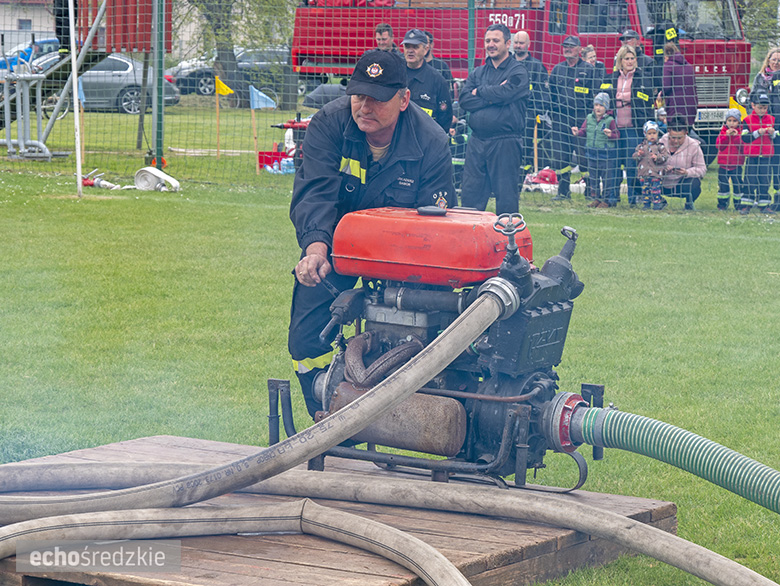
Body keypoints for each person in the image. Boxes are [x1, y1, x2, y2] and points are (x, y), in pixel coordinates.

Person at [288, 49, 454, 418]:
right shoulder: (328, 124)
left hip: (405, 257)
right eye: (358, 95)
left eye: (377, 99)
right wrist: (315, 250)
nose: (364, 106)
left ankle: (422, 418)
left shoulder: (431, 142)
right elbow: (314, 193)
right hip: (337, 248)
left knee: (436, 338)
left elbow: (436, 224)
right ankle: (324, 419)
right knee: (305, 338)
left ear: (404, 99)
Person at [459, 23, 529, 214]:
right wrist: (494, 97)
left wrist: (480, 92)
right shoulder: (478, 72)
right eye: (488, 40)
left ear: (508, 43)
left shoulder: (518, 71)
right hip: (477, 142)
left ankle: (508, 242)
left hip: (505, 142)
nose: (491, 44)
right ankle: (470, 242)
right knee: (470, 196)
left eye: (496, 40)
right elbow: (465, 100)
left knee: (506, 198)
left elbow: (507, 93)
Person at [602, 45, 655, 206]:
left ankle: (633, 199)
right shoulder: (611, 78)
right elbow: (604, 98)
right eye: (627, 58)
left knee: (632, 165)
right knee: (614, 164)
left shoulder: (642, 78)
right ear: (620, 61)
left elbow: (648, 104)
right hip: (615, 129)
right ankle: (611, 198)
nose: (630, 61)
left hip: (633, 128)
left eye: (632, 58)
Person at [548, 35, 597, 201]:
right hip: (561, 118)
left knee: (584, 156)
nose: (567, 49)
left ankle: (590, 191)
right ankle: (563, 191)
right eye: (565, 46)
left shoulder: (589, 70)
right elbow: (551, 94)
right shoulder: (557, 69)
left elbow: (594, 95)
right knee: (561, 156)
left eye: (571, 46)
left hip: (582, 118)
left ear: (580, 49)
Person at [571, 92, 619, 207]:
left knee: (607, 179)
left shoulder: (610, 120)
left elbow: (617, 135)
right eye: (596, 105)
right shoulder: (589, 118)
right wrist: (578, 132)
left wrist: (610, 135)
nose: (598, 108)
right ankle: (596, 198)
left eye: (601, 105)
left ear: (606, 107)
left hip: (606, 155)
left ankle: (606, 200)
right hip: (592, 153)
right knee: (594, 178)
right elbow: (584, 131)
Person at [513, 30, 551, 174]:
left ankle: (521, 180)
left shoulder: (536, 66)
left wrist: (534, 113)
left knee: (525, 150)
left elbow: (543, 94)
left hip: (527, 117)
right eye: (516, 42)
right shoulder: (507, 64)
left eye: (521, 43)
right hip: (507, 115)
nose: (518, 46)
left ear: (528, 45)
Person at [401, 29, 452, 133]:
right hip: (397, 139)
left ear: (426, 49)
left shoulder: (437, 80)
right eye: (407, 46)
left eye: (415, 47)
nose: (410, 50)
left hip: (424, 141)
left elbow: (445, 119)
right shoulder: (394, 74)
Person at [751, 47, 780, 209]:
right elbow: (752, 100)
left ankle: (777, 198)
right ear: (768, 60)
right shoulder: (759, 78)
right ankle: (760, 196)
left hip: (778, 125)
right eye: (773, 59)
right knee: (760, 163)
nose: (776, 63)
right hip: (761, 127)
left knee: (777, 162)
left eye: (779, 60)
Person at [740, 92, 777, 214]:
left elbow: (776, 137)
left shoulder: (772, 119)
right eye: (760, 107)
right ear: (753, 105)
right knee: (750, 180)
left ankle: (764, 205)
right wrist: (757, 133)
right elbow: (745, 137)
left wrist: (772, 133)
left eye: (765, 108)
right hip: (752, 156)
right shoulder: (747, 120)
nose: (762, 110)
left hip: (766, 156)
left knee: (765, 180)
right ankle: (746, 204)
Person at [659, 116, 706, 210]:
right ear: (668, 132)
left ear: (686, 133)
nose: (676, 141)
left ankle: (689, 203)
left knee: (695, 184)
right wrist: (662, 169)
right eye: (673, 137)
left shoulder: (694, 146)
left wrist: (687, 172)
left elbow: (702, 169)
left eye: (680, 138)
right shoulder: (661, 142)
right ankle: (659, 200)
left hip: (680, 184)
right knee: (640, 176)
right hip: (660, 182)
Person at [660, 43, 698, 131]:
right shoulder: (689, 66)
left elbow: (666, 87)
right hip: (691, 107)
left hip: (675, 107)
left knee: (675, 136)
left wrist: (660, 95)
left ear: (666, 55)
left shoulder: (668, 65)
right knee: (686, 133)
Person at [633, 120, 669, 210]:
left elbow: (665, 156)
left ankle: (657, 204)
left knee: (655, 190)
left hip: (655, 173)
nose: (652, 135)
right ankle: (646, 204)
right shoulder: (641, 147)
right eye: (649, 133)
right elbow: (634, 157)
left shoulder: (660, 146)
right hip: (643, 173)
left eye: (654, 133)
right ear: (645, 134)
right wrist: (638, 155)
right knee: (645, 190)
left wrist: (657, 157)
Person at [715, 109, 745, 211]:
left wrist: (736, 136)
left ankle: (738, 204)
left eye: (734, 121)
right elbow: (719, 145)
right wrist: (726, 136)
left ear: (739, 122)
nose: (732, 123)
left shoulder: (741, 133)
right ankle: (722, 204)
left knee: (738, 185)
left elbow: (742, 147)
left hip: (736, 165)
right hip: (723, 165)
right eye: (729, 120)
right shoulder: (723, 131)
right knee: (723, 186)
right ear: (726, 121)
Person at [422, 30, 454, 96]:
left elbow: (450, 90)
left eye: (425, 43)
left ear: (431, 45)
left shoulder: (442, 66)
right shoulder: (412, 66)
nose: (423, 46)